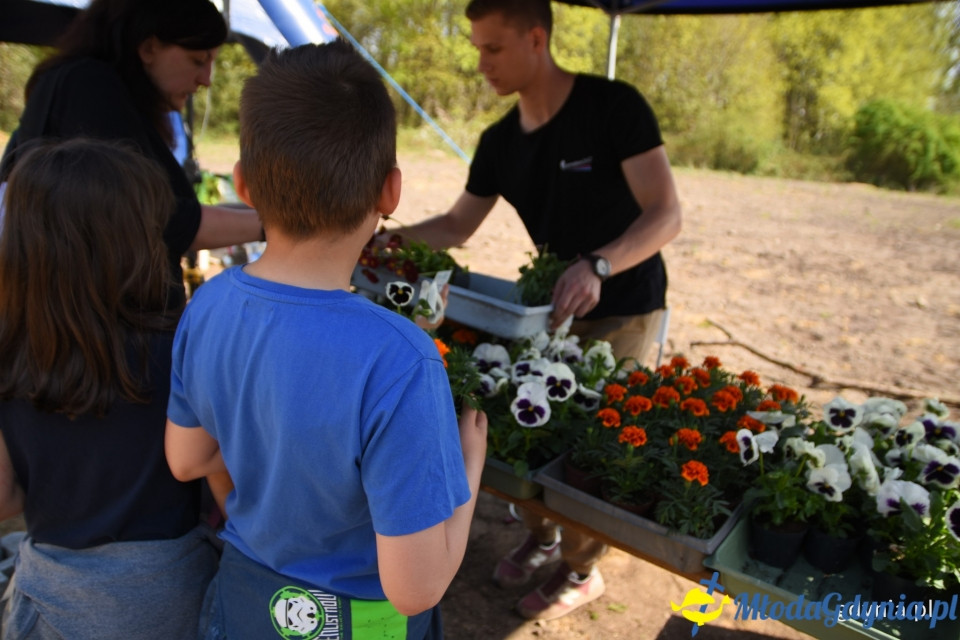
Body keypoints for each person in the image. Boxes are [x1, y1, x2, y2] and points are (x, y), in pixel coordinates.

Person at [164, 41, 488, 640]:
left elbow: (187, 460)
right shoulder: (402, 359)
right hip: (360, 624)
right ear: (390, 193)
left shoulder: (206, 304)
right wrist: (466, 475)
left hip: (244, 602)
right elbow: (415, 587)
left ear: (243, 185)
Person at [390, 0, 683, 621]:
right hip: (550, 310)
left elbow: (666, 213)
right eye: (476, 48)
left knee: (589, 447)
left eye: (492, 48)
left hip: (623, 305)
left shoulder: (613, 107)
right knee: (533, 429)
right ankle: (546, 533)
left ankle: (581, 571)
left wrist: (599, 263)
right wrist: (385, 238)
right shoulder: (499, 141)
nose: (481, 63)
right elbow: (455, 224)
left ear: (536, 38)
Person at [0, 138, 219, 640]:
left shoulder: (10, 352)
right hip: (171, 596)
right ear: (134, 238)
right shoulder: (182, 347)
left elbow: (4, 497)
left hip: (56, 602)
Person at [0, 0, 262, 305]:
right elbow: (158, 220)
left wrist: (275, 219)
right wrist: (280, 226)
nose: (206, 79)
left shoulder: (92, 89)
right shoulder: (86, 87)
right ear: (149, 48)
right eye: (197, 60)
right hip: (94, 333)